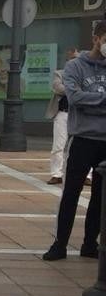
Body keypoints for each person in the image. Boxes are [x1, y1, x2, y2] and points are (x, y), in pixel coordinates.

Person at [43, 20, 106, 261]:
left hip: (105, 142)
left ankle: (90, 243)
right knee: (71, 192)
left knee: (101, 198)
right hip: (83, 139)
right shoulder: (75, 66)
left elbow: (83, 98)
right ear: (96, 39)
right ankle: (59, 244)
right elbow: (75, 97)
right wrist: (102, 101)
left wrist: (93, 101)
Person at [45, 48, 78, 185]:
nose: (74, 63)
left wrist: (70, 89)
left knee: (82, 146)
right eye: (71, 60)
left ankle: (87, 176)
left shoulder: (83, 75)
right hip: (63, 113)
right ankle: (56, 174)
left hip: (79, 115)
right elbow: (58, 88)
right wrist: (76, 89)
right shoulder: (59, 73)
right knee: (58, 145)